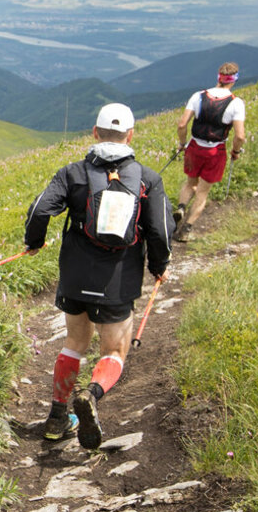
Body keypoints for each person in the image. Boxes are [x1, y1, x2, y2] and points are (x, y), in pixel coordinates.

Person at [24, 103, 172, 449]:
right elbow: (161, 230)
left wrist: (34, 241)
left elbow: (39, 208)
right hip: (118, 281)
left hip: (75, 275)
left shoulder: (72, 173)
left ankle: (58, 415)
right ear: (131, 135)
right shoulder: (148, 179)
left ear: (94, 132)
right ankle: (91, 395)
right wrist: (159, 265)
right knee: (115, 349)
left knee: (74, 342)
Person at [172, 63, 246, 241]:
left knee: (190, 183)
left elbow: (182, 124)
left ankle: (181, 207)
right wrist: (235, 151)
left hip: (194, 147)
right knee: (203, 191)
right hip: (215, 151)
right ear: (234, 80)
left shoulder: (198, 96)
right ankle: (186, 230)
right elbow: (240, 136)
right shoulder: (236, 103)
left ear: (218, 77)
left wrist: (182, 143)